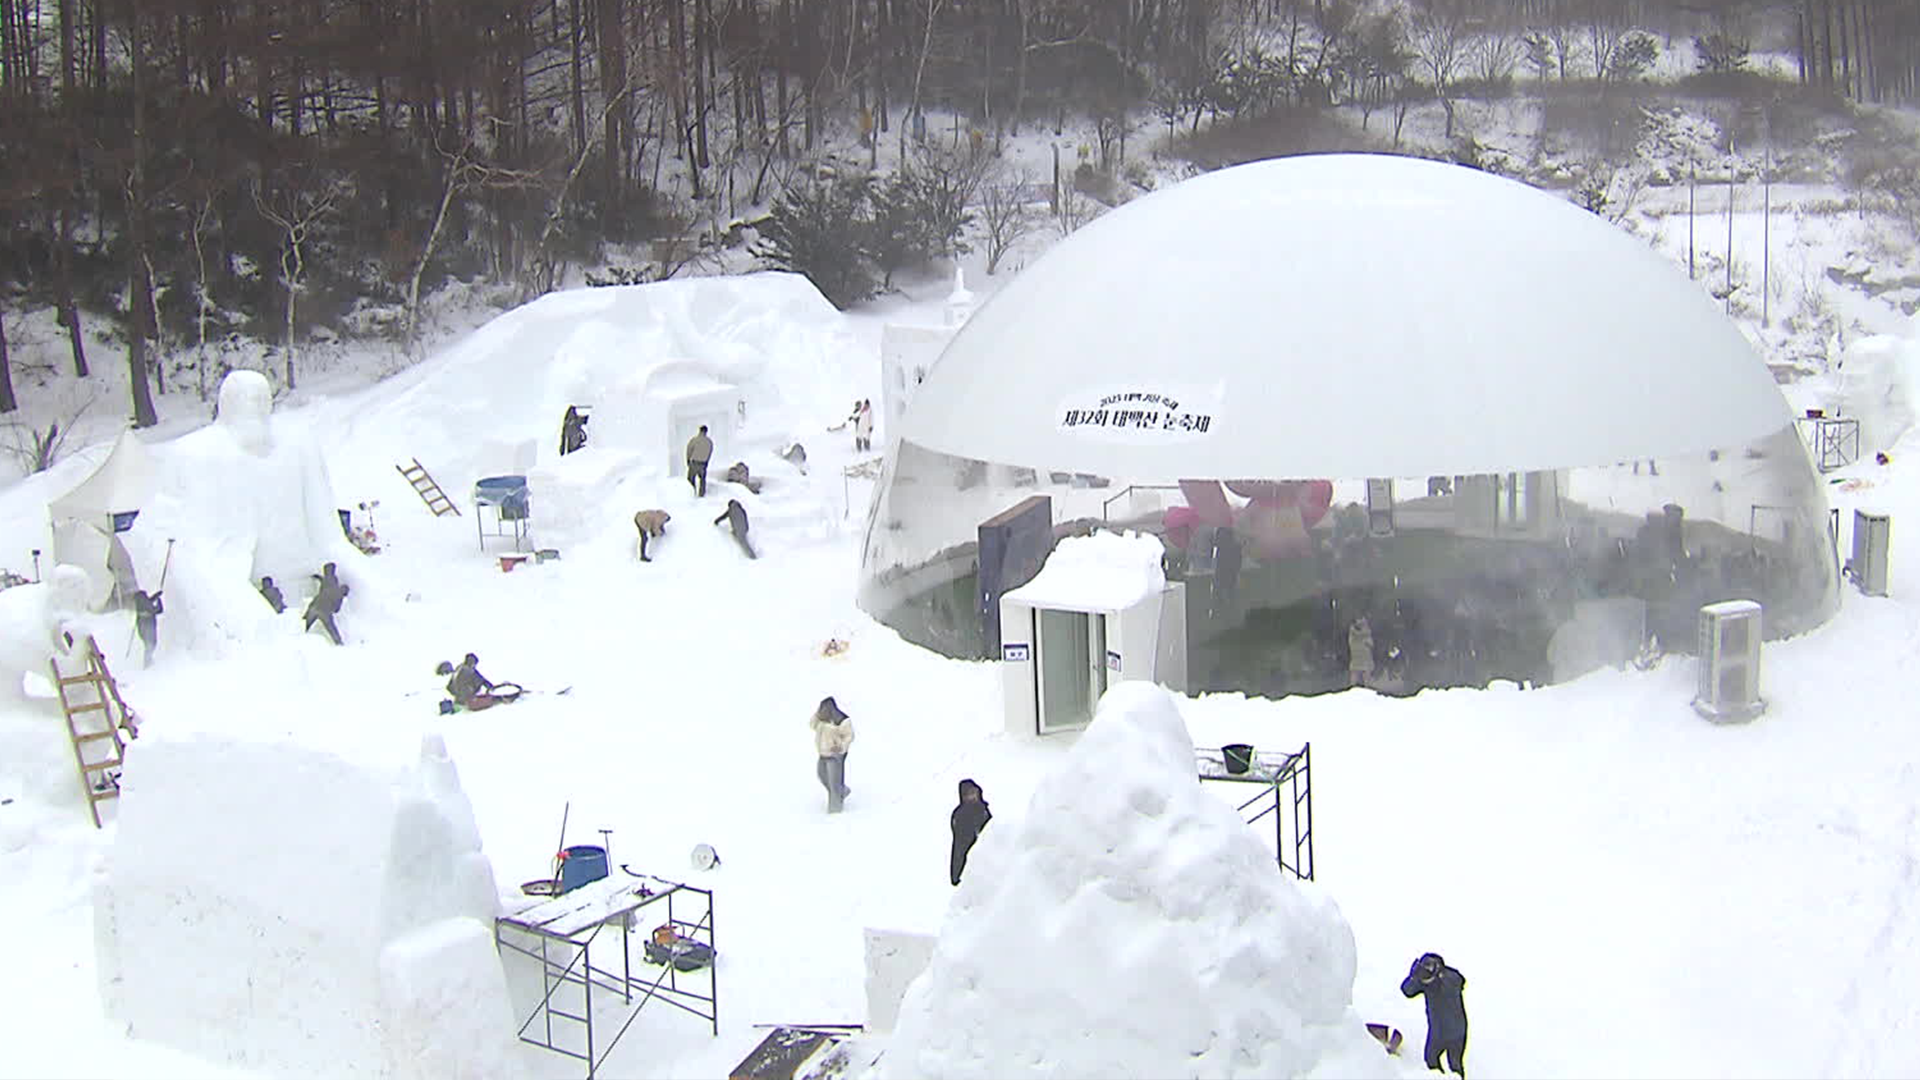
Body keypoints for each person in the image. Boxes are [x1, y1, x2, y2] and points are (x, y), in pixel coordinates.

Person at [1401, 952, 1467, 1077]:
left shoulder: (1450, 977)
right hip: (1438, 1031)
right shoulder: (1425, 982)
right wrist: (1413, 977)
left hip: (1456, 1031)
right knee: (1431, 1060)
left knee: (1455, 1064)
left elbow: (1459, 981)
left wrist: (1438, 978)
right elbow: (1407, 991)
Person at [810, 696, 854, 813]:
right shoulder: (821, 721)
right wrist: (816, 716)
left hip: (835, 756)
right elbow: (812, 725)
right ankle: (842, 791)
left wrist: (841, 747)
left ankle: (835, 809)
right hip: (823, 753)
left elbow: (849, 736)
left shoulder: (842, 721)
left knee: (834, 782)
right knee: (822, 775)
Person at [435, 652, 522, 712]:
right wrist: (490, 687)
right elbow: (479, 680)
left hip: (458, 698)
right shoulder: (467, 671)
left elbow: (449, 687)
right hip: (466, 699)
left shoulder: (460, 667)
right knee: (488, 699)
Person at [949, 778, 992, 886]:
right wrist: (956, 874)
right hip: (971, 864)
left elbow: (993, 832)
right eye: (969, 794)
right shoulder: (959, 815)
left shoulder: (984, 810)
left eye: (974, 792)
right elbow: (959, 847)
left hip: (989, 860)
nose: (972, 796)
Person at [304, 562, 348, 645]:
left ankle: (300, 635)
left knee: (306, 623)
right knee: (331, 628)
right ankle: (338, 642)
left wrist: (318, 577)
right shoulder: (338, 592)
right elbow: (336, 609)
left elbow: (325, 582)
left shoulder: (330, 580)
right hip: (324, 612)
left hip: (314, 606)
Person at [132, 588, 163, 667]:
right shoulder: (144, 604)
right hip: (148, 627)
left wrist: (157, 595)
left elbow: (150, 601)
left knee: (148, 644)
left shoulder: (140, 604)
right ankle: (147, 663)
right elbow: (159, 610)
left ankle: (148, 661)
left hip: (142, 629)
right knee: (151, 644)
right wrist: (159, 601)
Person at [686, 425, 714, 497]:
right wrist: (706, 461)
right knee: (702, 480)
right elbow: (710, 452)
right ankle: (701, 494)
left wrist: (688, 460)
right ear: (706, 432)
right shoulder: (709, 442)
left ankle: (691, 494)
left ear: (699, 430)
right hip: (703, 463)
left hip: (694, 462)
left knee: (691, 480)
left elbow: (689, 450)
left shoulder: (694, 440)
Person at [1348, 615, 1375, 687]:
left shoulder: (1352, 635)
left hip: (1355, 661)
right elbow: (1371, 644)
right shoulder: (1366, 635)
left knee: (1354, 681)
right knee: (1367, 682)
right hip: (1365, 661)